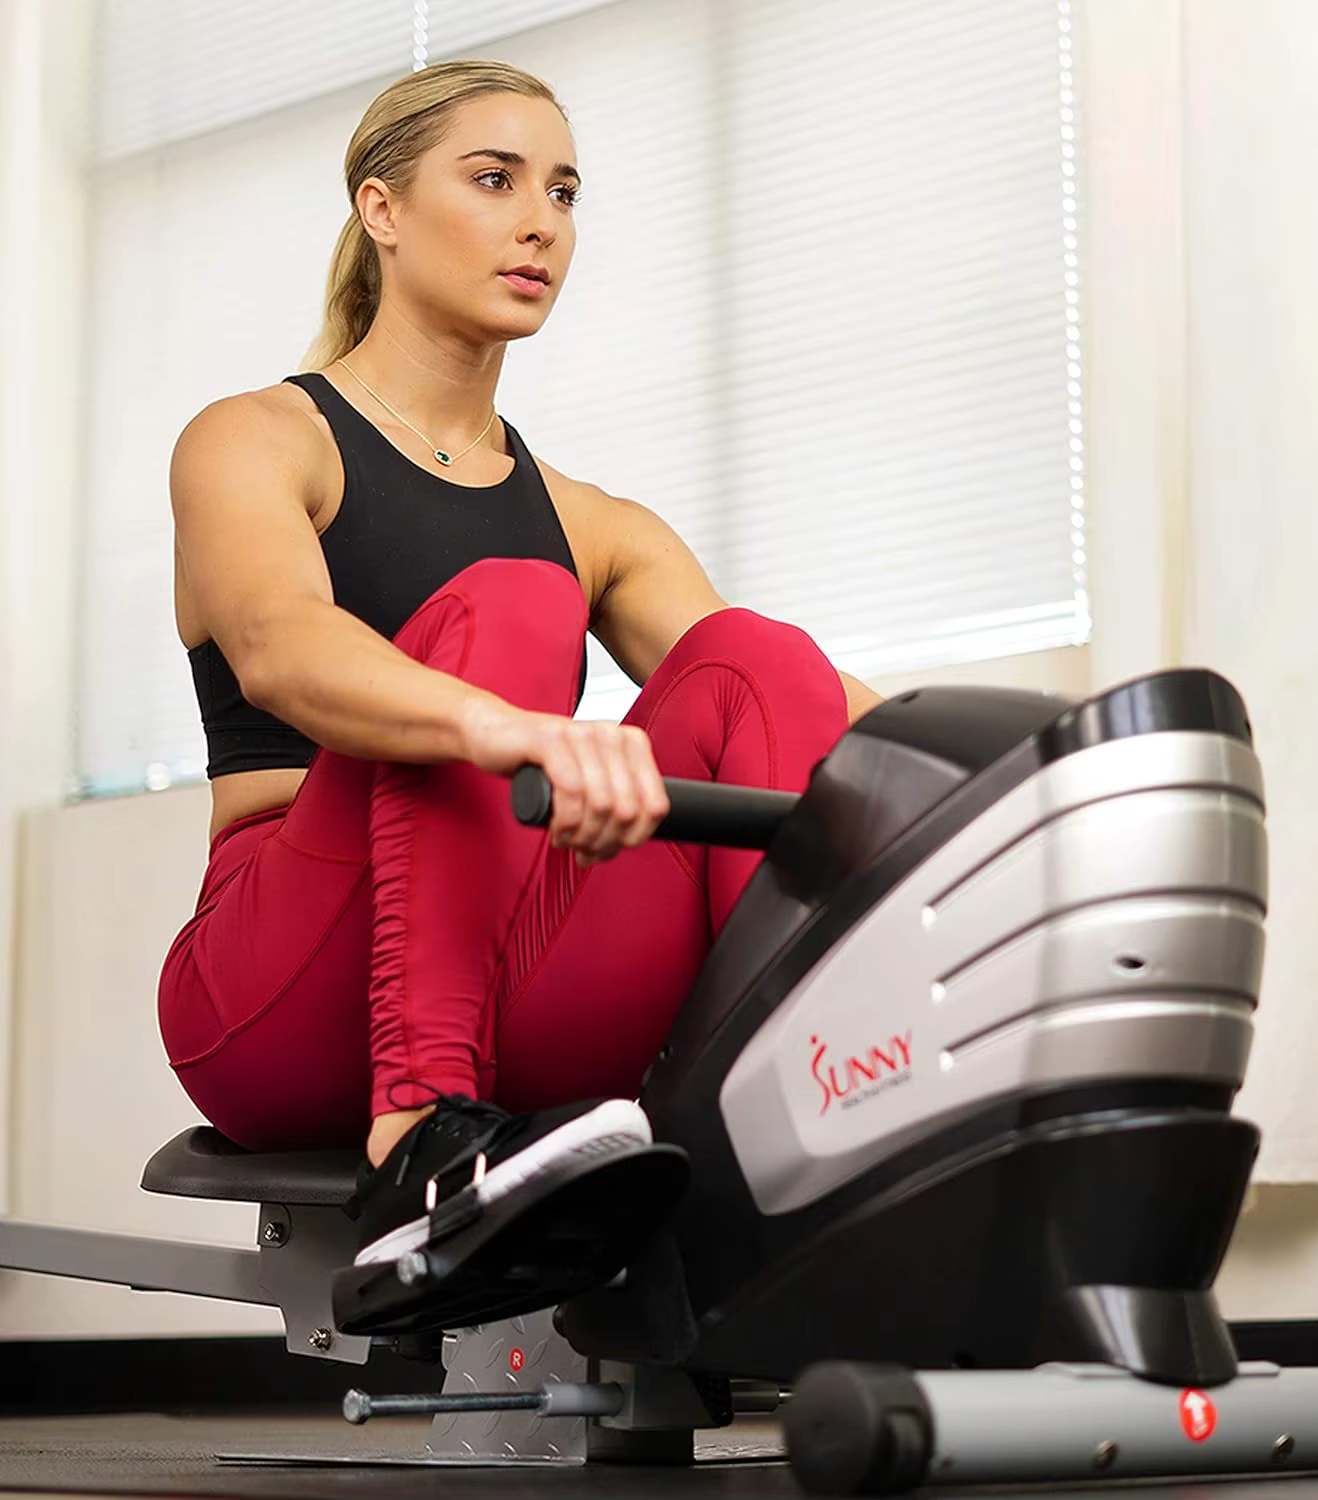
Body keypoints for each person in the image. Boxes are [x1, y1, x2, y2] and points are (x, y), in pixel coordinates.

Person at [156, 59, 882, 1276]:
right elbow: (284, 649)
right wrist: (499, 728)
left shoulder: (596, 519)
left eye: (563, 191)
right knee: (514, 600)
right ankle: (418, 1136)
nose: (541, 220)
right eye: (493, 180)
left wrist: (1042, 773)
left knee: (757, 659)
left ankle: (808, 1138)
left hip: (510, 985)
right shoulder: (258, 440)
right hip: (282, 993)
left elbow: (803, 716)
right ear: (381, 210)